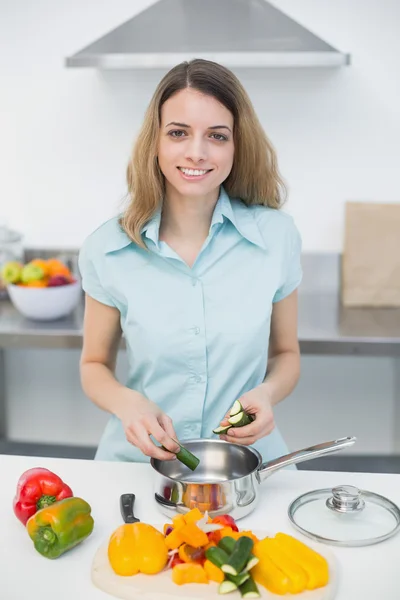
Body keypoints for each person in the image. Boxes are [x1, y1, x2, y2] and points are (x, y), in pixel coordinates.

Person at [78, 58, 302, 464]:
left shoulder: (278, 237)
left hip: (248, 466)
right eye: (178, 133)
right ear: (156, 142)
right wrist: (127, 404)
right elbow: (94, 365)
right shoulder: (107, 248)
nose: (196, 153)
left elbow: (287, 355)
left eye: (217, 136)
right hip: (138, 467)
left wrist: (267, 394)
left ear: (237, 145)